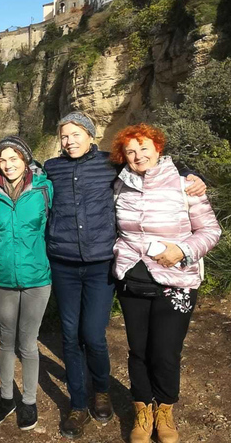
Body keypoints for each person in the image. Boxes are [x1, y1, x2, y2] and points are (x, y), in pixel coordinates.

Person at [43, 112, 207, 439]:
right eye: (64, 136)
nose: (70, 140)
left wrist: (191, 173)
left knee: (92, 334)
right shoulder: (51, 167)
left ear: (91, 136)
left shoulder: (111, 165)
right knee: (70, 335)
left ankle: (101, 389)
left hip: (102, 262)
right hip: (63, 261)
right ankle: (77, 404)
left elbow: (151, 167)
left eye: (77, 134)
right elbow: (20, 174)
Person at [110, 124, 220, 443]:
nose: (138, 155)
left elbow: (210, 231)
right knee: (139, 350)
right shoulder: (120, 184)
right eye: (130, 151)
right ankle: (143, 409)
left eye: (143, 147)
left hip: (177, 281)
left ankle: (165, 410)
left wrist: (182, 250)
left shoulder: (185, 184)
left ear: (158, 148)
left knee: (166, 351)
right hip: (133, 277)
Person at [0, 136, 53, 431]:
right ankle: (7, 398)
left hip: (37, 278)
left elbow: (53, 228)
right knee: (6, 340)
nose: (8, 164)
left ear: (25, 161)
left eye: (14, 159)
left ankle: (29, 401)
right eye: (3, 159)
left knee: (28, 342)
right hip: (3, 277)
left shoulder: (43, 189)